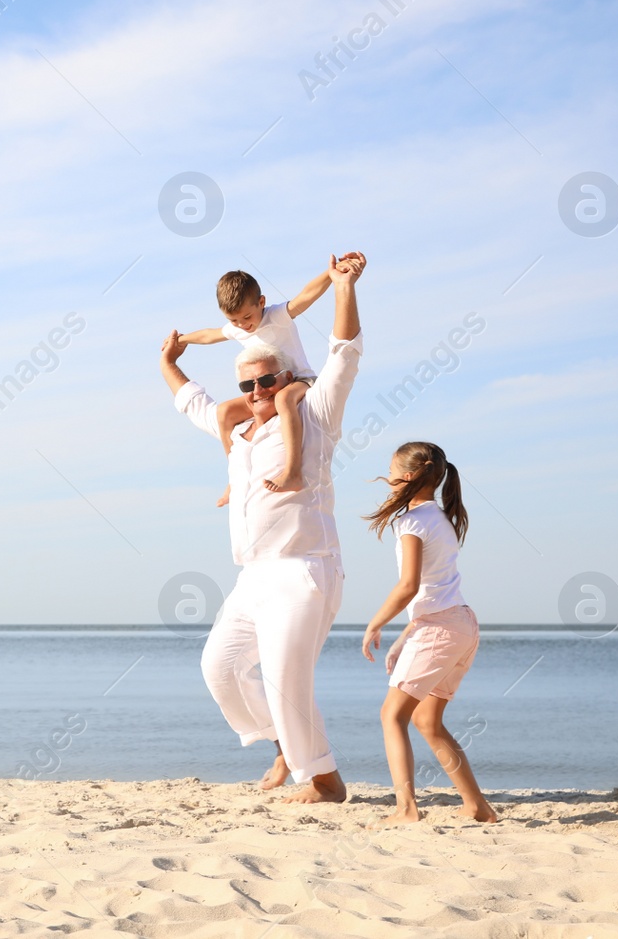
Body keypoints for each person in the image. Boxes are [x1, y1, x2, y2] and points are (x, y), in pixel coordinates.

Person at [160, 252, 365, 803]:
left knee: (283, 676)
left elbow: (343, 356)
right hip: (252, 578)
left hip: (305, 569)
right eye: (248, 386)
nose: (258, 393)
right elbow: (196, 404)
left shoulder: (313, 417)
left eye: (268, 382)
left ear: (287, 378)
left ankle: (322, 781)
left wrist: (343, 286)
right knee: (220, 669)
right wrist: (169, 363)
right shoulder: (243, 435)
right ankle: (281, 744)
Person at [360, 441, 497, 824]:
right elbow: (433, 592)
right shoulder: (442, 519)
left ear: (405, 477)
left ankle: (406, 810)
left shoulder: (413, 521)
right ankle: (478, 807)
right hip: (460, 625)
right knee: (427, 721)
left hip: (441, 629)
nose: (386, 480)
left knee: (392, 716)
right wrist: (405, 638)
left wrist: (376, 622)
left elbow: (409, 586)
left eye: (390, 472)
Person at [176, 263, 360, 501]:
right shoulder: (238, 329)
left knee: (284, 399)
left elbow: (305, 296)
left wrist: (330, 274)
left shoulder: (276, 316)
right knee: (224, 412)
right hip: (264, 390)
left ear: (261, 303)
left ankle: (292, 472)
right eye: (233, 320)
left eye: (247, 317)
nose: (243, 325)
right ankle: (236, 477)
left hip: (299, 381)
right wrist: (181, 339)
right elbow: (208, 335)